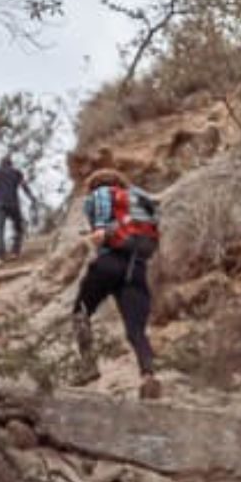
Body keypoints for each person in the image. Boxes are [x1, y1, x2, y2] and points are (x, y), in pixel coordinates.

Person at [72, 167, 163, 401]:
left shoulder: (99, 195)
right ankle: (148, 375)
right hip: (137, 267)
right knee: (136, 330)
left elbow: (100, 230)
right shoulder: (139, 198)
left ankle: (88, 365)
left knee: (80, 312)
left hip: (108, 263)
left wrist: (99, 230)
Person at [0, 156, 38, 261]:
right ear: (11, 164)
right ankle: (15, 252)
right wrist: (31, 197)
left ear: (1, 163)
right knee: (18, 228)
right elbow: (24, 185)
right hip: (13, 203)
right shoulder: (16, 172)